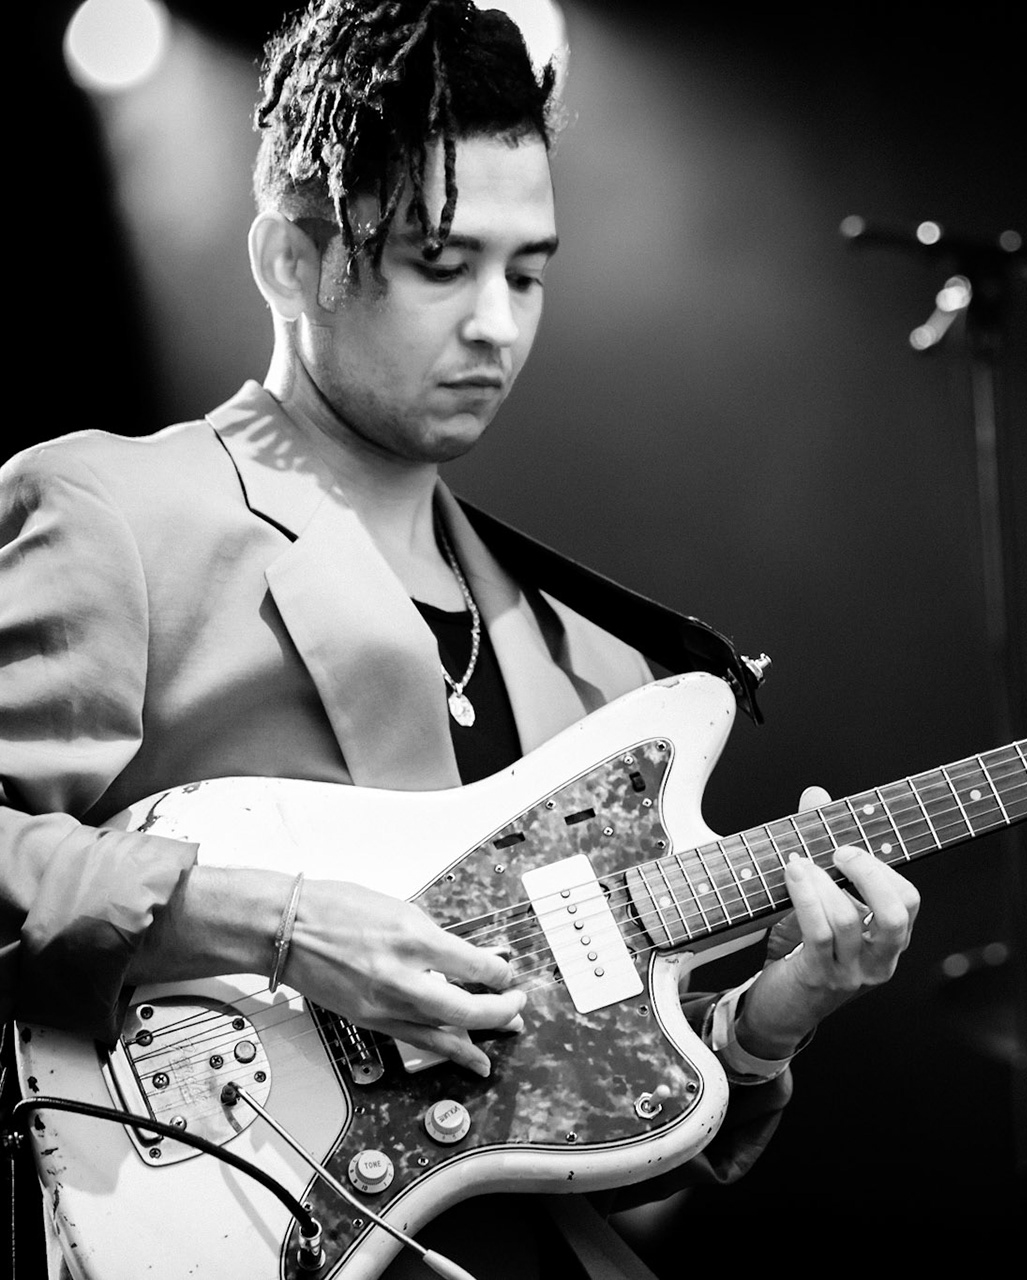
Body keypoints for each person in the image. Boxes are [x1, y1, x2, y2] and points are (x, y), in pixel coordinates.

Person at [0, 2, 921, 1276]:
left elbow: (591, 1153)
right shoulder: (119, 510)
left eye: (528, 272)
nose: (497, 322)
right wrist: (283, 923)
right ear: (292, 258)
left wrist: (769, 1022)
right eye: (443, 264)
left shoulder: (599, 669)